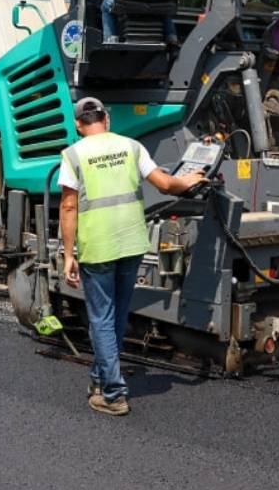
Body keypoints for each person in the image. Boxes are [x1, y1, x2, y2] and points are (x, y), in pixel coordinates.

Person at [58, 96, 207, 416]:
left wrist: (68, 254)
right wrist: (190, 180)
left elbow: (68, 206)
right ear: (106, 120)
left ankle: (113, 393)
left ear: (78, 125)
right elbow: (166, 185)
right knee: (118, 313)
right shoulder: (131, 147)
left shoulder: (72, 155)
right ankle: (100, 378)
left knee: (101, 318)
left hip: (98, 246)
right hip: (132, 244)